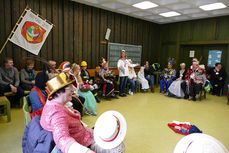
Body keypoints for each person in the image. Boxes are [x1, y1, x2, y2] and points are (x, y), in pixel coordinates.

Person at [40, 73, 125, 153]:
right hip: (85, 143)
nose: (73, 88)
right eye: (70, 86)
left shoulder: (55, 103)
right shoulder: (57, 114)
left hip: (86, 135)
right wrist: (86, 151)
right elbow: (62, 139)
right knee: (119, 147)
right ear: (58, 92)